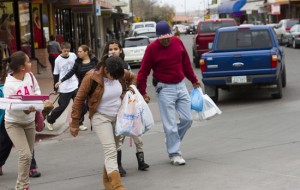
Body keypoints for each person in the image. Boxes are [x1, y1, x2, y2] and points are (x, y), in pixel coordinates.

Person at [137, 20, 201, 166]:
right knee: (170, 125)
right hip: (164, 89)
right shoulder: (151, 49)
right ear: (157, 37)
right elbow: (143, 72)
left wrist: (194, 80)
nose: (166, 41)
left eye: (168, 37)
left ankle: (172, 139)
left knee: (187, 119)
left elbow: (186, 64)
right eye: (162, 38)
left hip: (180, 85)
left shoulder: (177, 42)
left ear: (171, 35)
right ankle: (175, 154)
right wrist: (142, 92)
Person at [69, 56, 135, 190]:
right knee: (110, 150)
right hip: (100, 117)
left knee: (114, 150)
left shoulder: (119, 73)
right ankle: (117, 186)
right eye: (113, 76)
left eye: (118, 77)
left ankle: (108, 184)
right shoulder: (91, 77)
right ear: (106, 69)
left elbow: (133, 77)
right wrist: (75, 123)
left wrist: (131, 88)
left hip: (118, 117)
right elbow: (79, 99)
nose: (115, 79)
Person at [102, 40, 149, 177]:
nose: (113, 51)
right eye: (110, 49)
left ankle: (141, 160)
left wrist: (131, 89)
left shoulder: (125, 65)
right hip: (117, 106)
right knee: (120, 134)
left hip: (129, 104)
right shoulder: (105, 66)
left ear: (120, 50)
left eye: (116, 48)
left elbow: (133, 79)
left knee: (137, 131)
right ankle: (119, 164)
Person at [3, 51, 42, 190]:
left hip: (29, 122)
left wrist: (36, 100)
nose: (31, 63)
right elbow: (12, 108)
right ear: (22, 67)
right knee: (25, 154)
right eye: (28, 62)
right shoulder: (9, 84)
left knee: (29, 155)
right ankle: (21, 186)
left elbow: (36, 90)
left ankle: (24, 185)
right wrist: (27, 108)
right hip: (14, 123)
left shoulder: (30, 76)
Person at [54, 44, 98, 131]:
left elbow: (100, 70)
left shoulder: (94, 60)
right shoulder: (77, 62)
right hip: (82, 87)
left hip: (94, 87)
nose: (78, 53)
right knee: (83, 107)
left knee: (95, 106)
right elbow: (71, 72)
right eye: (78, 51)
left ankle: (96, 123)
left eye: (80, 51)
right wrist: (60, 81)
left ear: (86, 52)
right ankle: (76, 121)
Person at [44, 42, 81, 131]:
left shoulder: (73, 55)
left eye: (68, 51)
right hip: (64, 87)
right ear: (61, 49)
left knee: (79, 105)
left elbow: (77, 68)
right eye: (65, 51)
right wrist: (55, 88)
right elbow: (56, 74)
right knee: (62, 106)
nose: (66, 53)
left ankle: (79, 123)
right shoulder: (57, 60)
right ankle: (50, 120)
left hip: (74, 85)